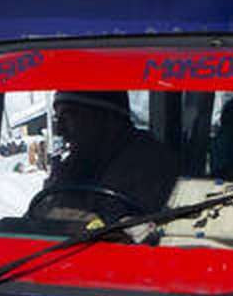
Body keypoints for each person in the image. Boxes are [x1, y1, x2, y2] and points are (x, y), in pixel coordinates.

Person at [43, 90, 178, 216]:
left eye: (68, 116)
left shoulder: (149, 163)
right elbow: (37, 218)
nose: (60, 130)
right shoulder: (81, 162)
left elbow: (121, 227)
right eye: (58, 119)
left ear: (107, 118)